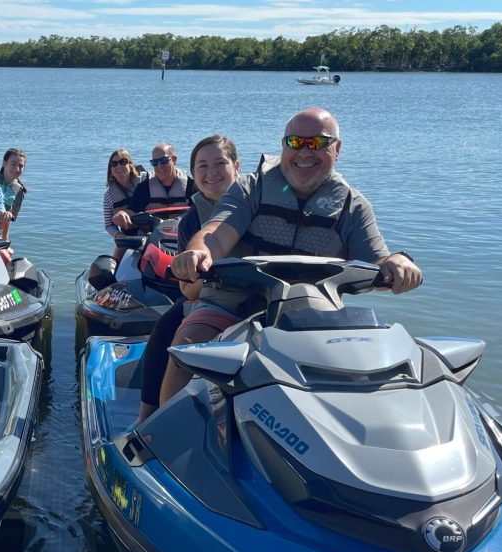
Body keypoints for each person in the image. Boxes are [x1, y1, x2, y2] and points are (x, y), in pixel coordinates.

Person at [156, 107, 423, 411]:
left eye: (318, 143)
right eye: (296, 142)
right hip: (234, 299)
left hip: (314, 309)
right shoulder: (250, 187)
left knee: (359, 371)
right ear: (283, 145)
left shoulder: (353, 206)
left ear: (337, 148)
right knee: (189, 347)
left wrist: (398, 263)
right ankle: (162, 437)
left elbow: (377, 263)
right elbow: (217, 233)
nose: (305, 153)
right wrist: (199, 252)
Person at [136, 135, 244, 422]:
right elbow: (189, 291)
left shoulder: (257, 205)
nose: (211, 173)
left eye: (220, 164)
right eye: (202, 166)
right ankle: (149, 417)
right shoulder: (191, 222)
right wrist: (204, 269)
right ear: (193, 172)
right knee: (167, 330)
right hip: (212, 296)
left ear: (236, 166)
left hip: (264, 297)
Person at [116, 142, 195, 225]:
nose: (159, 166)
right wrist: (122, 214)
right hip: (153, 235)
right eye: (155, 162)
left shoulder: (191, 186)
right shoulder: (144, 188)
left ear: (174, 159)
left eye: (163, 161)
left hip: (183, 234)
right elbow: (132, 211)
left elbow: (203, 211)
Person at [102, 148, 146, 260]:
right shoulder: (108, 197)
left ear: (130, 165)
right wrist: (119, 236)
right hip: (129, 238)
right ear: (110, 170)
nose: (118, 166)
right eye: (114, 163)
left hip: (152, 232)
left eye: (123, 162)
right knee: (115, 266)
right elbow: (108, 225)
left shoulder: (146, 181)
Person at [0, 148, 27, 241]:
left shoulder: (19, 190)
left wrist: (5, 241)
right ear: (4, 163)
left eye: (21, 166)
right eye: (13, 164)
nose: (17, 169)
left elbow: (8, 219)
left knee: (9, 253)